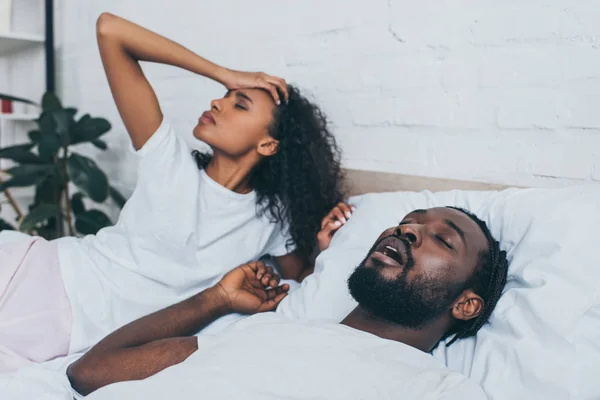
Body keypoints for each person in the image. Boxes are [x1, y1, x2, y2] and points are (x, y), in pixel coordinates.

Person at [0, 13, 346, 372]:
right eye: (224, 95)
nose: (217, 102)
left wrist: (324, 248)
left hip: (74, 333)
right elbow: (109, 29)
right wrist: (226, 74)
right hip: (40, 275)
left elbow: (302, 282)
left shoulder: (271, 219)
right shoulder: (167, 158)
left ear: (269, 144)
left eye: (239, 104)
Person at [68, 206, 509, 399]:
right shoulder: (272, 330)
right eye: (406, 222)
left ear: (467, 305)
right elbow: (90, 373)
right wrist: (217, 298)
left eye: (442, 240)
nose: (406, 231)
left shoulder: (439, 390)